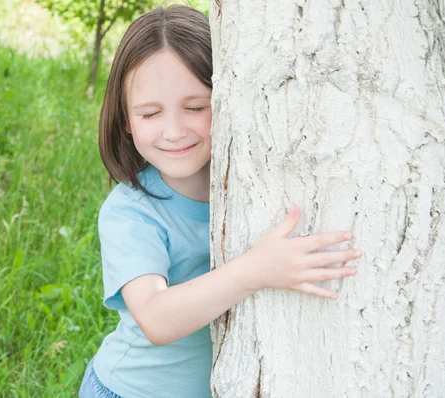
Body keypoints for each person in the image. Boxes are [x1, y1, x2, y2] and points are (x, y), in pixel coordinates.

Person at [79, 5, 362, 398]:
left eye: (196, 107)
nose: (174, 131)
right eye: (150, 114)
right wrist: (257, 270)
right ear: (126, 121)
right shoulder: (130, 212)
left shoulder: (250, 186)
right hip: (130, 390)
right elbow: (156, 319)